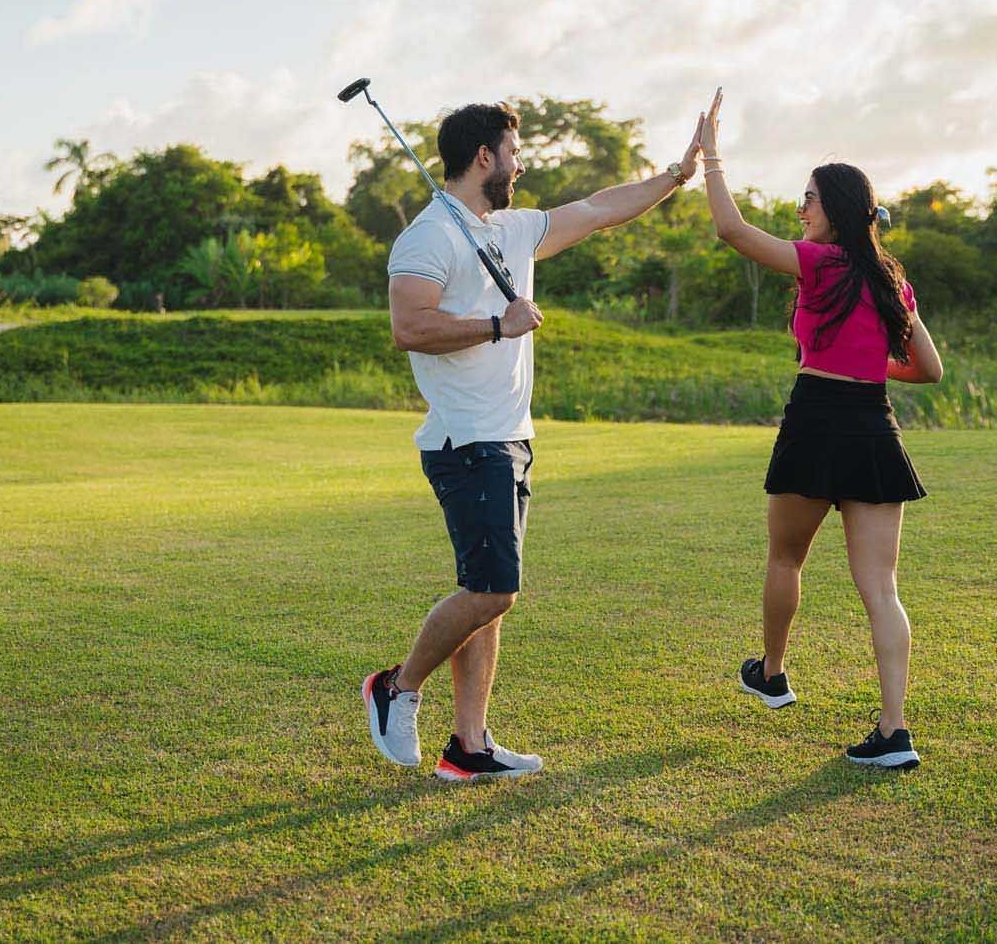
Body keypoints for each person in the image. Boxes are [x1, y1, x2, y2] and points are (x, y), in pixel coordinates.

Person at [364, 100, 704, 782]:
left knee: (485, 591)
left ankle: (470, 745)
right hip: (467, 440)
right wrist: (498, 323)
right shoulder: (428, 237)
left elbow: (600, 207)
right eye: (513, 151)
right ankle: (396, 686)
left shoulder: (514, 229)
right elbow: (409, 325)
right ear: (484, 156)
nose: (521, 164)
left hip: (511, 437)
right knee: (494, 592)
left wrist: (675, 174)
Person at [696, 89, 943, 769]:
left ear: (832, 209)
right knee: (882, 591)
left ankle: (772, 673)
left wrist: (711, 152)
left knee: (785, 559)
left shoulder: (819, 263)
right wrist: (869, 369)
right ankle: (895, 731)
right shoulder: (892, 279)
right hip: (872, 427)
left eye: (807, 198)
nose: (800, 209)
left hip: (813, 422)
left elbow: (733, 231)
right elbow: (930, 367)